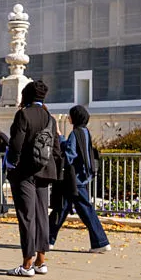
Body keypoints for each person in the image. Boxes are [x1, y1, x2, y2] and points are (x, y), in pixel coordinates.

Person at [5, 80, 61, 277]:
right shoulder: (49, 118)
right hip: (44, 171)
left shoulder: (23, 115)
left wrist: (11, 164)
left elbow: (16, 144)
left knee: (26, 216)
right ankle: (41, 261)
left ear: (26, 96)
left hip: (25, 172)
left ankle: (27, 264)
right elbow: (56, 149)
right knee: (41, 215)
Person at [48, 105, 110, 254]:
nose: (69, 118)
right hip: (80, 178)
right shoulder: (84, 131)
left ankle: (100, 242)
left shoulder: (76, 133)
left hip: (74, 179)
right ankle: (47, 240)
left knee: (76, 209)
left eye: (70, 115)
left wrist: (60, 137)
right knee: (63, 208)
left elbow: (70, 153)